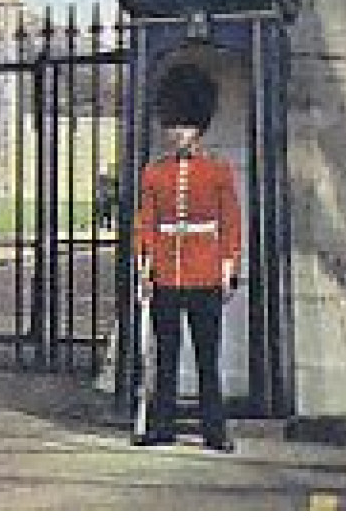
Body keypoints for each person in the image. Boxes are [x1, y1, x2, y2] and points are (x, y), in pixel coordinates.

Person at [132, 63, 241, 452]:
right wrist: (145, 269)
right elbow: (147, 222)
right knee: (166, 355)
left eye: (185, 126)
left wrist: (227, 270)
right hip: (165, 274)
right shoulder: (154, 174)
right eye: (173, 126)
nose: (177, 134)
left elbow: (229, 223)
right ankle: (163, 426)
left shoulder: (218, 172)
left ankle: (216, 430)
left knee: (207, 357)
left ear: (199, 128)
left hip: (205, 273)